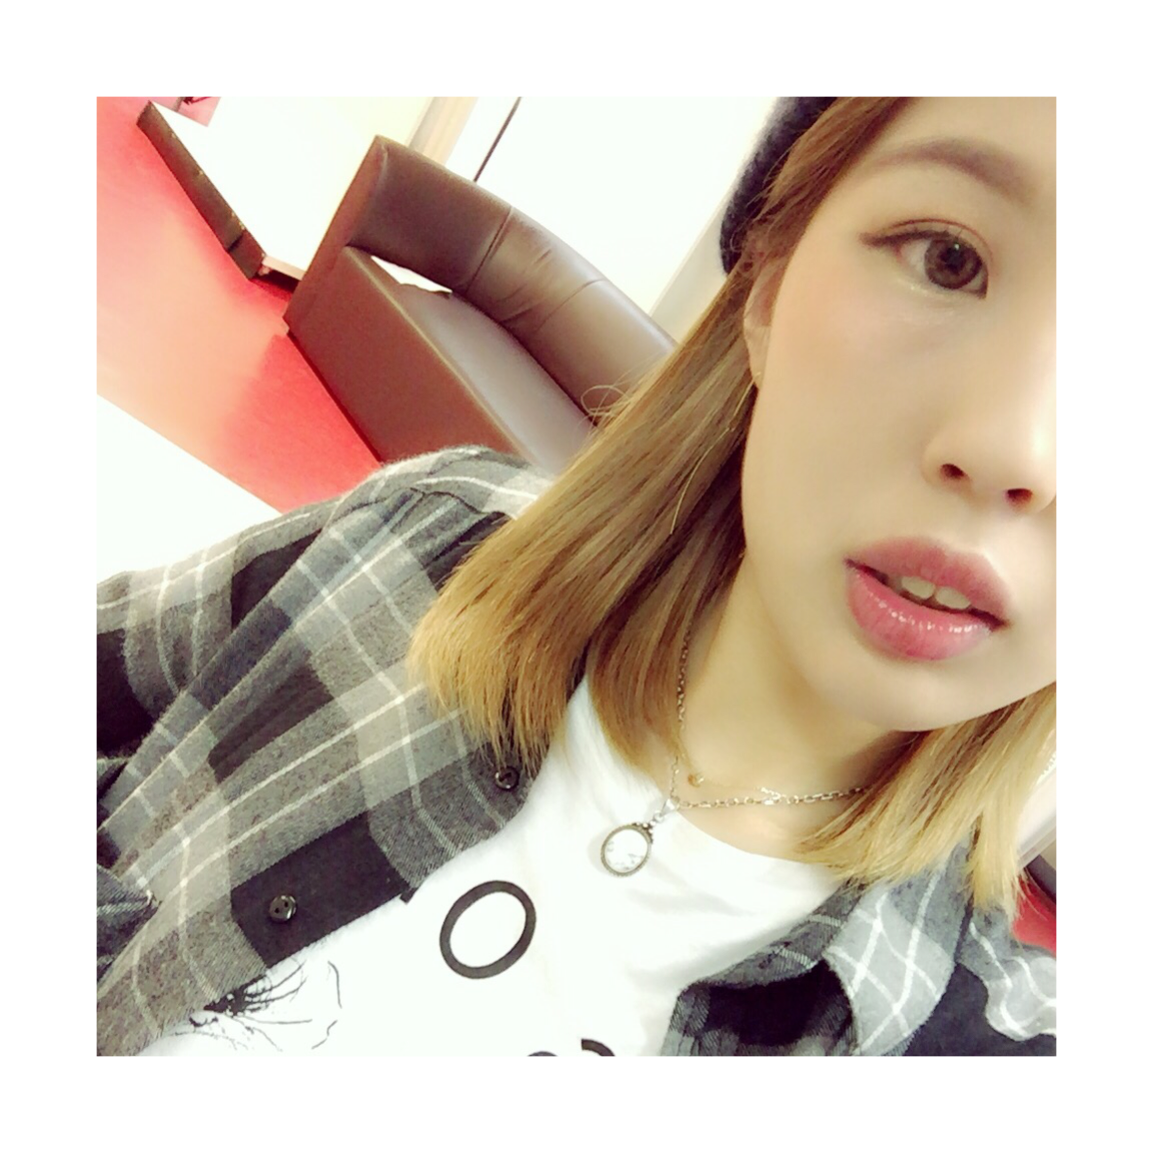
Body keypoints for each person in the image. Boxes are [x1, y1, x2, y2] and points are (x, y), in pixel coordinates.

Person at [97, 97, 1056, 1056]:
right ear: (768, 290)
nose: (1013, 450)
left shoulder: (978, 1048)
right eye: (947, 258)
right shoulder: (422, 542)